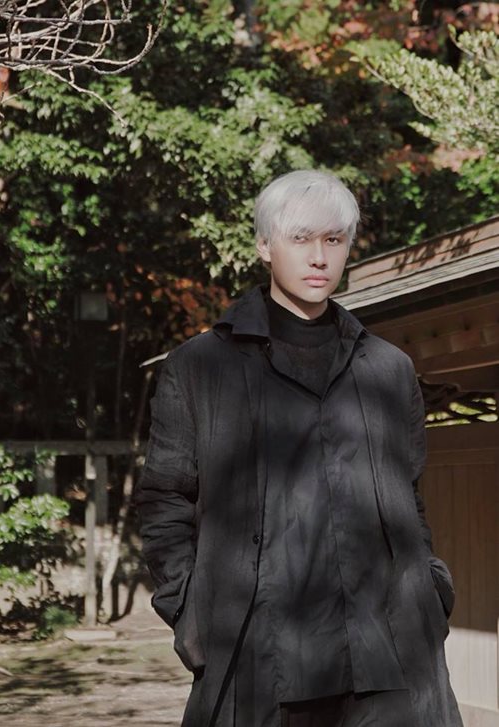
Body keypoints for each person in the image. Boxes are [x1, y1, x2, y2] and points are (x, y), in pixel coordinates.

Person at [135, 170, 463, 727]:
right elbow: (165, 499)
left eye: (334, 240)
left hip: (388, 654)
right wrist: (190, 607)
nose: (319, 257)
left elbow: (408, 497)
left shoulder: (388, 368)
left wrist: (430, 588)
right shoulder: (200, 368)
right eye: (300, 238)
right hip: (257, 656)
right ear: (265, 246)